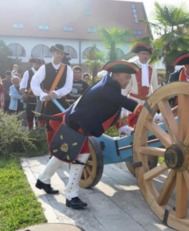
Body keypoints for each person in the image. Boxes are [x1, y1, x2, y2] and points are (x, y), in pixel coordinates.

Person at [36, 61, 143, 209]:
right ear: (116, 75)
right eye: (126, 77)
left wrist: (122, 125)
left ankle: (43, 180)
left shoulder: (109, 84)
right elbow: (121, 101)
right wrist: (142, 109)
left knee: (65, 152)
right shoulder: (109, 86)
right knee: (81, 156)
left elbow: (115, 107)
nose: (128, 81)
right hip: (77, 124)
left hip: (79, 123)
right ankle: (71, 196)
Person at [31, 44, 73, 145]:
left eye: (61, 53)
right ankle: (52, 151)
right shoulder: (44, 67)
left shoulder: (67, 69)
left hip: (61, 102)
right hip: (48, 102)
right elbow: (34, 82)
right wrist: (42, 94)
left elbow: (68, 86)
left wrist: (57, 92)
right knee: (49, 126)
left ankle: (61, 149)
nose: (59, 55)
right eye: (57, 53)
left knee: (62, 125)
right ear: (53, 53)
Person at [122, 43, 159, 127]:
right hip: (134, 101)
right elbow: (126, 87)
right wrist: (123, 104)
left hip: (148, 102)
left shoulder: (152, 69)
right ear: (137, 54)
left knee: (149, 127)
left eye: (147, 54)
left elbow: (155, 87)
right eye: (143, 53)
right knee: (136, 126)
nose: (145, 56)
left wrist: (157, 103)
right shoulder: (132, 67)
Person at [20, 57, 42, 129]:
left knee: (39, 116)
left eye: (38, 64)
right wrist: (23, 94)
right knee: (29, 116)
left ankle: (38, 132)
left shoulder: (43, 73)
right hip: (30, 97)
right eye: (35, 63)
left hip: (41, 98)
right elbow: (22, 85)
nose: (37, 65)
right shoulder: (28, 72)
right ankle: (30, 131)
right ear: (33, 64)